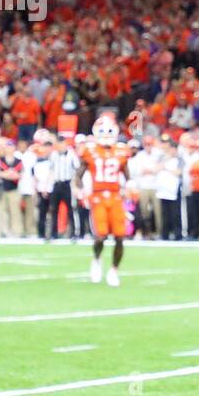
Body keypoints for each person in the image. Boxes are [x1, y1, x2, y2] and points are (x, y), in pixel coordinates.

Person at [79, 114, 129, 286]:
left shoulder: (121, 151)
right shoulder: (90, 151)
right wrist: (80, 191)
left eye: (109, 130)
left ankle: (114, 270)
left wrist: (129, 186)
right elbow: (78, 175)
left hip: (115, 197)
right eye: (103, 130)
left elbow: (127, 174)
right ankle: (97, 259)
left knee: (120, 237)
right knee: (100, 236)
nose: (106, 134)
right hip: (98, 196)